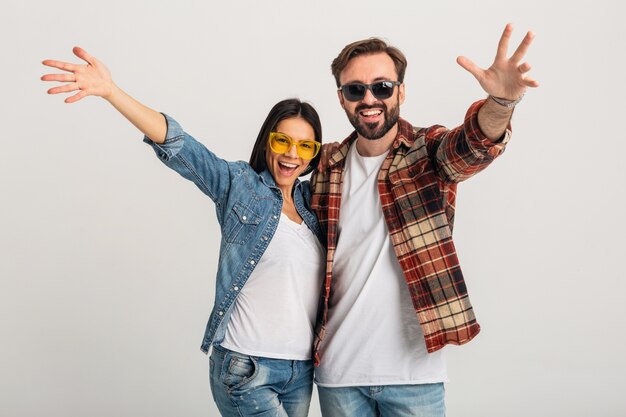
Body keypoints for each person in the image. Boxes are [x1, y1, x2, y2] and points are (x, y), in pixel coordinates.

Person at [41, 48, 325, 417]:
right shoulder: (239, 184)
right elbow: (179, 144)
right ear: (267, 141)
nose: (292, 154)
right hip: (246, 367)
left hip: (299, 372)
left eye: (305, 145)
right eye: (282, 140)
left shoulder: (316, 203)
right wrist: (111, 91)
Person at [310, 24, 539, 416]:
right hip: (338, 374)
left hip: (415, 376)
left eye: (382, 87)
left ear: (401, 90)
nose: (369, 98)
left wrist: (500, 101)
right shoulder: (324, 164)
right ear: (341, 99)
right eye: (355, 89)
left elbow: (474, 146)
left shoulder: (428, 151)